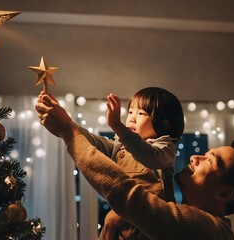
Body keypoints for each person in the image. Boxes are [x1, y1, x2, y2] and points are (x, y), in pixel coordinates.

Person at [35, 93, 234, 240]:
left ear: (224, 193)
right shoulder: (173, 214)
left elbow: (128, 196)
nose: (194, 157)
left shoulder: (209, 231)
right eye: (204, 153)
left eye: (209, 160)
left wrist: (69, 132)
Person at [37, 87, 185, 240]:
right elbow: (89, 142)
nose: (132, 118)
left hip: (154, 231)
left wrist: (117, 125)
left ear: (165, 124)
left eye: (141, 113)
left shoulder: (165, 147)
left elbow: (149, 156)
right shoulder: (120, 148)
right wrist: (64, 122)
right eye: (130, 112)